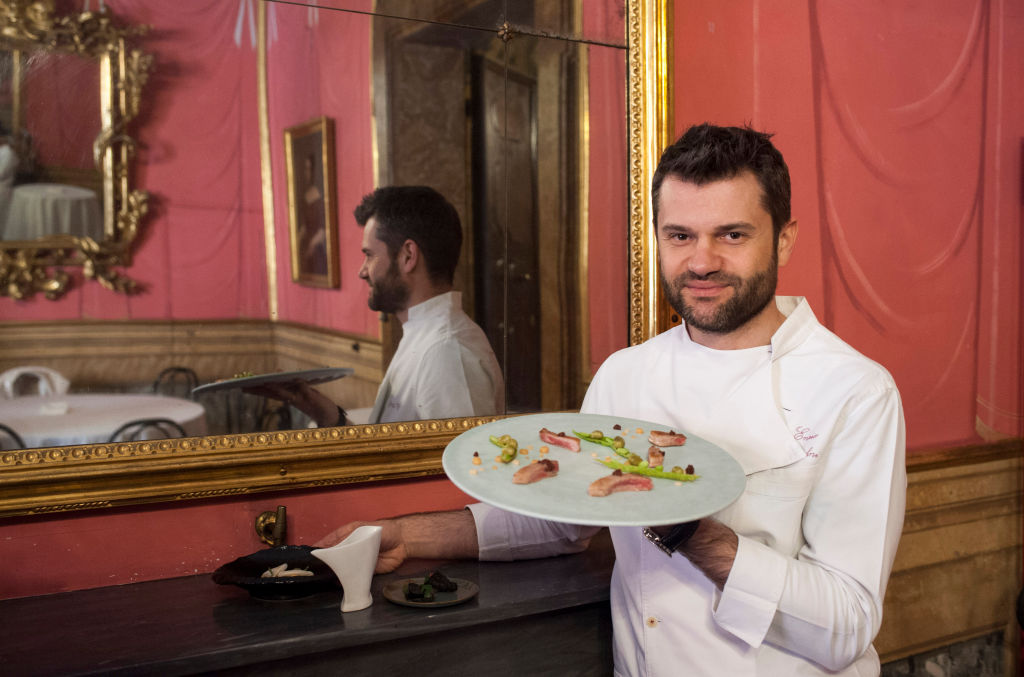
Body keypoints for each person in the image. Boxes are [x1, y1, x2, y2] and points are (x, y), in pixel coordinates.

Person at [317, 124, 907, 676]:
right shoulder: (627, 373)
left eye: (731, 234)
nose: (701, 262)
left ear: (783, 240)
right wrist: (403, 534)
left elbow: (847, 623)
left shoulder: (855, 391)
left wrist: (691, 532)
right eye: (680, 236)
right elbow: (559, 525)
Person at [264, 185, 504, 427]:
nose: (362, 271)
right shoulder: (425, 336)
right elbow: (397, 454)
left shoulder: (446, 353)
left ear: (408, 256)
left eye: (370, 255)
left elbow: (459, 463)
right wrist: (326, 414)